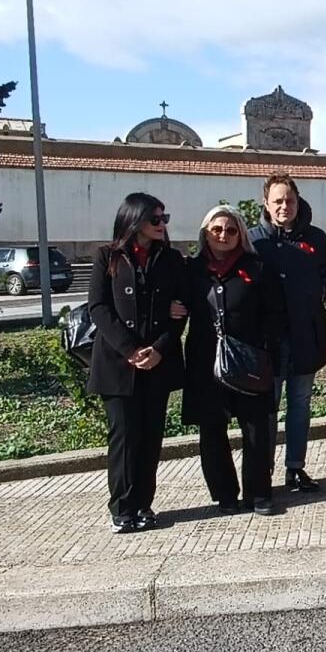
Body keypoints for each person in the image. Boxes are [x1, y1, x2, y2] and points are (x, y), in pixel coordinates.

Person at [86, 193, 186, 534]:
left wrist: (159, 349)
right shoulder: (107, 257)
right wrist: (130, 350)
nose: (162, 225)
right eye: (155, 219)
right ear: (134, 220)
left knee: (150, 437)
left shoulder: (172, 260)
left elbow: (180, 310)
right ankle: (122, 506)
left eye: (164, 218)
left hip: (156, 362)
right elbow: (98, 308)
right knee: (124, 436)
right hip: (118, 364)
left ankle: (144, 504)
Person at [182, 205, 286, 517]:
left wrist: (263, 345)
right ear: (205, 233)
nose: (224, 235)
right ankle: (225, 494)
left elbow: (276, 312)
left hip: (250, 358)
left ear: (240, 233)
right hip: (205, 359)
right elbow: (177, 303)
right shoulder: (192, 269)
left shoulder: (257, 267)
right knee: (212, 429)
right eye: (217, 230)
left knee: (255, 428)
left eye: (231, 230)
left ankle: (259, 494)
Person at [248, 172, 326, 494]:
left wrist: (321, 291)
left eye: (289, 200)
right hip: (268, 342)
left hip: (305, 336)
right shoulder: (254, 240)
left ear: (297, 200)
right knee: (268, 409)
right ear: (266, 203)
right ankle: (264, 470)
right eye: (277, 201)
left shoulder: (314, 237)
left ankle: (295, 468)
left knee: (300, 405)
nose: (284, 206)